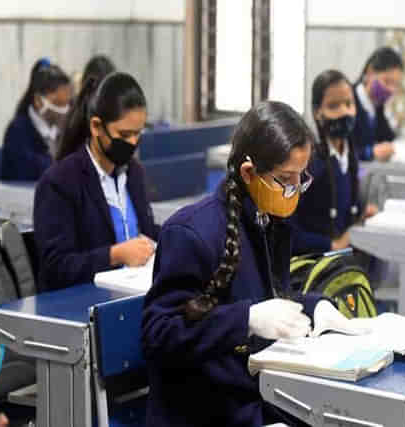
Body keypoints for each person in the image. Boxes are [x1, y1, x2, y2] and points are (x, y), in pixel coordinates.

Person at [142, 101, 343, 426]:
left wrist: (315, 307)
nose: (294, 191)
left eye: (300, 179)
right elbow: (160, 334)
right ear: (249, 173)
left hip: (256, 399)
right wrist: (245, 319)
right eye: (285, 179)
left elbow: (269, 300)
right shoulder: (191, 232)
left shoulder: (269, 221)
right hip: (203, 412)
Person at [33, 72, 159, 292]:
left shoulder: (134, 173)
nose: (132, 143)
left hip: (135, 293)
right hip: (84, 303)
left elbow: (145, 231)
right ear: (96, 127)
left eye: (138, 134)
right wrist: (114, 255)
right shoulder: (59, 182)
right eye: (124, 134)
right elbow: (55, 267)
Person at [292, 69, 377, 255]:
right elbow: (288, 232)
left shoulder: (350, 155)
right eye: (333, 106)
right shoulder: (308, 164)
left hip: (343, 260)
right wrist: (331, 245)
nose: (344, 112)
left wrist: (361, 213)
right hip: (314, 265)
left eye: (349, 103)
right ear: (317, 113)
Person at [2, 58, 72, 180]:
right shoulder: (18, 131)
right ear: (39, 101)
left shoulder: (62, 129)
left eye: (67, 104)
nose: (64, 111)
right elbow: (31, 170)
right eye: (58, 104)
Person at [352, 46, 403, 161]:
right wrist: (370, 152)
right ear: (370, 72)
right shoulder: (347, 102)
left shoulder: (377, 107)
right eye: (387, 81)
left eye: (396, 84)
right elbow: (338, 153)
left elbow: (390, 141)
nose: (391, 89)